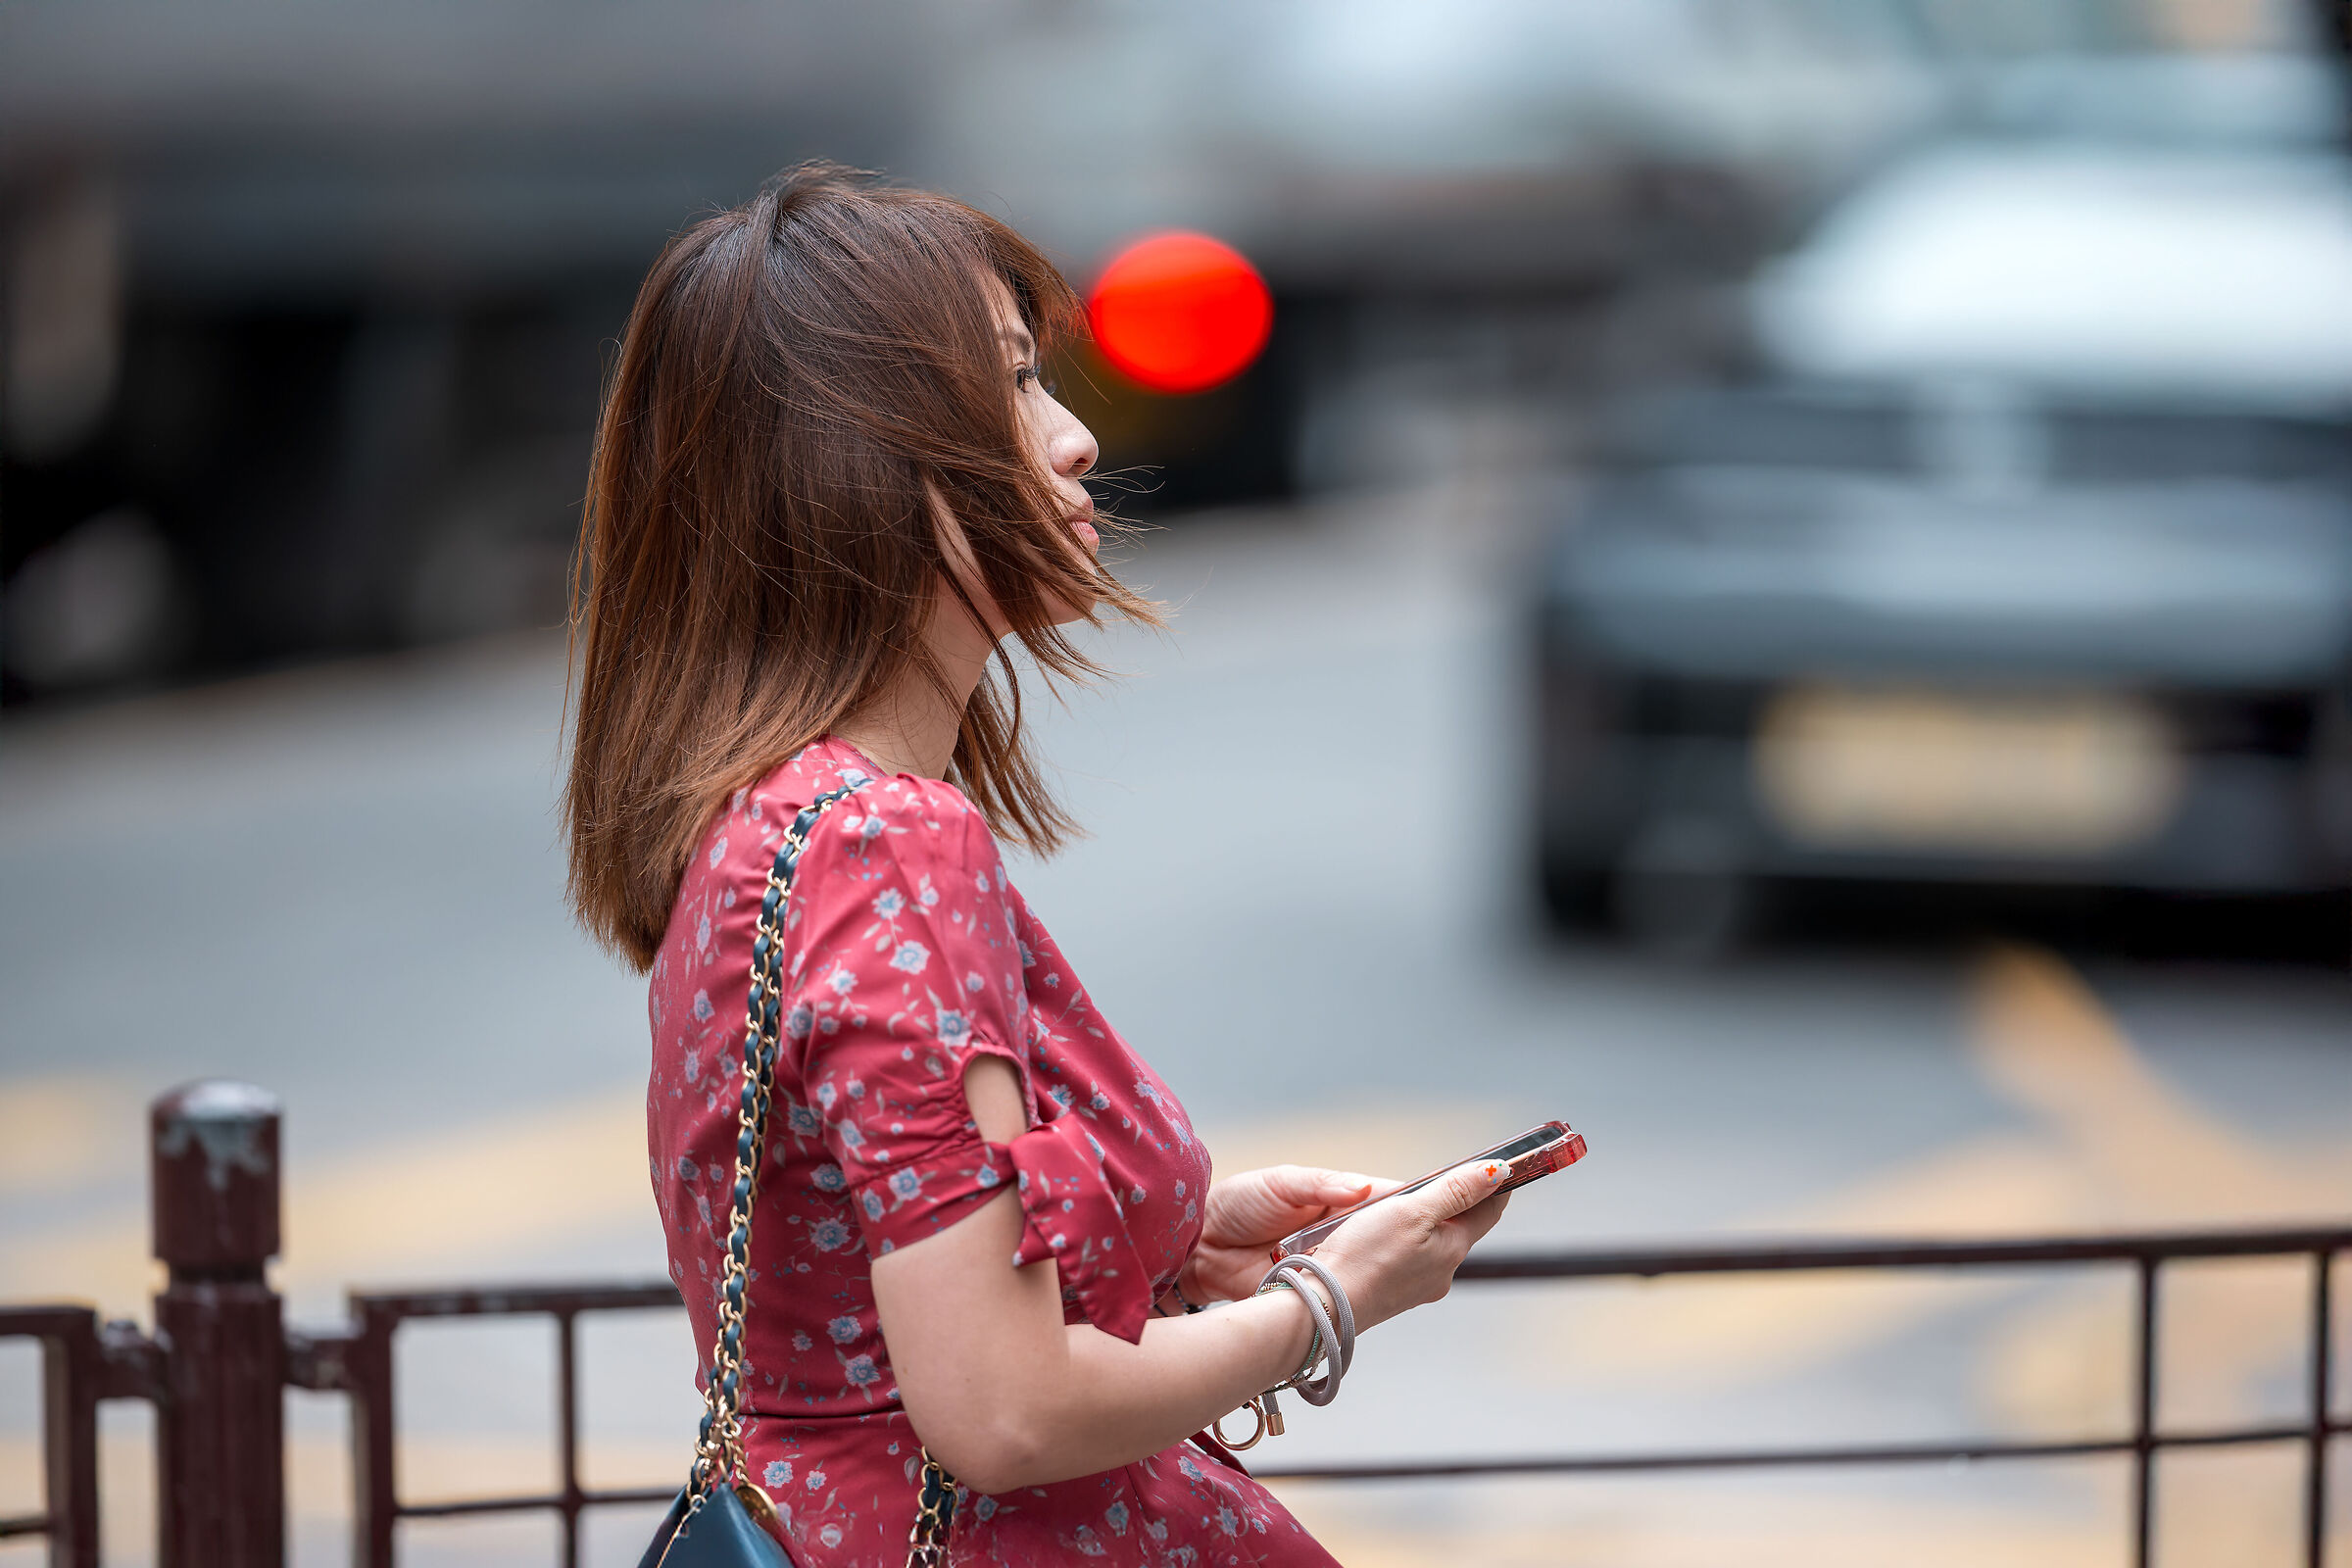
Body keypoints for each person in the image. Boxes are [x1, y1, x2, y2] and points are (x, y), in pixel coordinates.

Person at [564, 164, 1510, 1567]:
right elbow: (1000, 1411)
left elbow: (861, 1249)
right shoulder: (887, 842)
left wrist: (1171, 1236)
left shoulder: (762, 814)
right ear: (856, 458)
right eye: (1010, 387)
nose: (1072, 442)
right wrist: (1331, 1306)